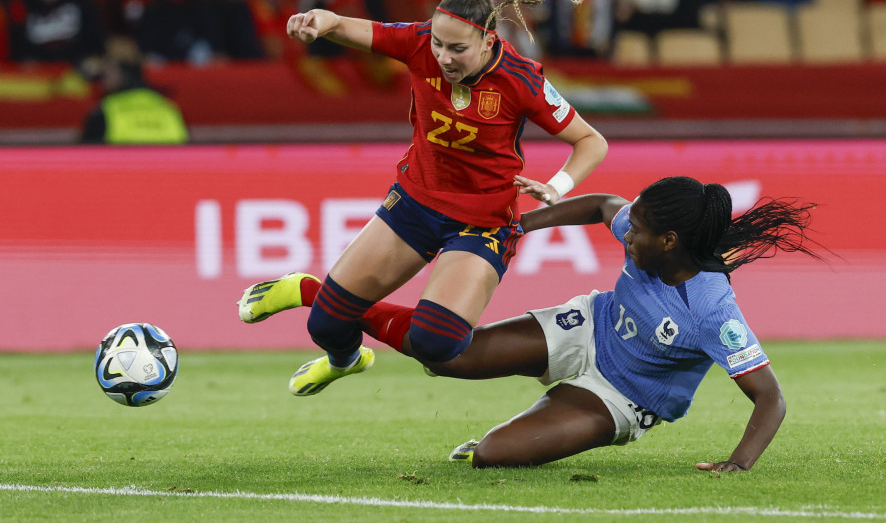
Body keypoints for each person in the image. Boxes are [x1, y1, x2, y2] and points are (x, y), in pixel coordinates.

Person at [255, 176, 823, 470]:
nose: (629, 231)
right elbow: (603, 203)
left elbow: (769, 398)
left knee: (493, 456)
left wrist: (738, 463)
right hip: (587, 326)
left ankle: (526, 428)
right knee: (446, 353)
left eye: (640, 229)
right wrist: (523, 224)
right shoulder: (643, 232)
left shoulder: (711, 310)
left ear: (669, 242)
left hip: (624, 396)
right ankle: (318, 294)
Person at [237, 0, 608, 397]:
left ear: (489, 40)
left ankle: (307, 290)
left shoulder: (522, 78)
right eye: (437, 44)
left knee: (437, 342)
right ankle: (345, 360)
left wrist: (557, 186)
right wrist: (323, 22)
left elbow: (590, 140)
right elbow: (350, 28)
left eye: (457, 49)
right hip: (413, 204)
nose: (444, 57)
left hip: (482, 223)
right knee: (325, 325)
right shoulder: (418, 44)